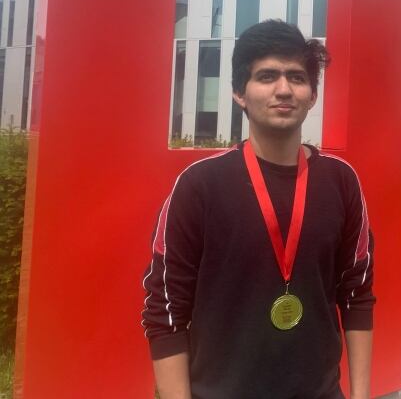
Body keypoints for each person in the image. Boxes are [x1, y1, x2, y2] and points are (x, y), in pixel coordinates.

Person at [141, 20, 375, 399]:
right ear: (239, 92)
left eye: (297, 77)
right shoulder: (199, 185)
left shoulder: (341, 182)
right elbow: (165, 310)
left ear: (312, 94)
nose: (284, 89)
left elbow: (357, 294)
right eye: (267, 76)